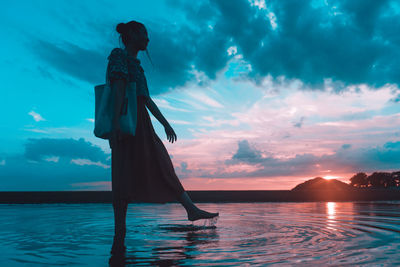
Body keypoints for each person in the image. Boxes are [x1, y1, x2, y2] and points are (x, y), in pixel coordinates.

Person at [107, 20, 219, 255]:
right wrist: (116, 124)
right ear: (132, 35)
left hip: (142, 125)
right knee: (123, 177)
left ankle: (190, 209)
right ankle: (120, 233)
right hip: (126, 124)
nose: (148, 38)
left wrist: (166, 123)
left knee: (162, 163)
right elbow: (118, 89)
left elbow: (146, 99)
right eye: (144, 34)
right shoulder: (118, 55)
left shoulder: (137, 65)